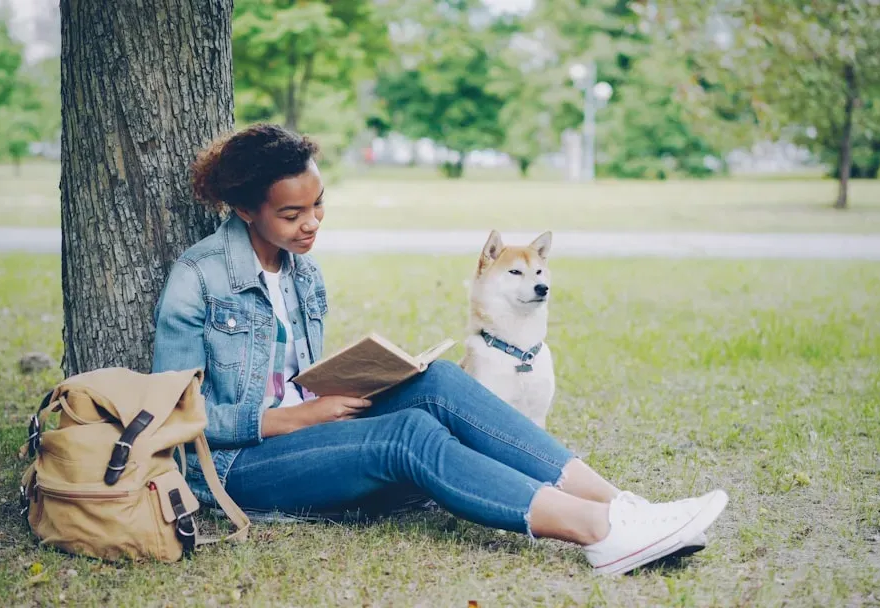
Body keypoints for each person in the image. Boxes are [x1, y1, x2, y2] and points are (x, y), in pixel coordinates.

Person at [151, 124, 728, 575]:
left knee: (441, 383)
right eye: (292, 214)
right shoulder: (199, 276)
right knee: (409, 435)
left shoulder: (304, 272)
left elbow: (297, 374)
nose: (311, 224)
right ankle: (598, 532)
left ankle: (627, 506)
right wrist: (294, 416)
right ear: (246, 209)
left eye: (319, 204)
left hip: (308, 431)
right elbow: (172, 416)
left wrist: (357, 382)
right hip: (230, 468)